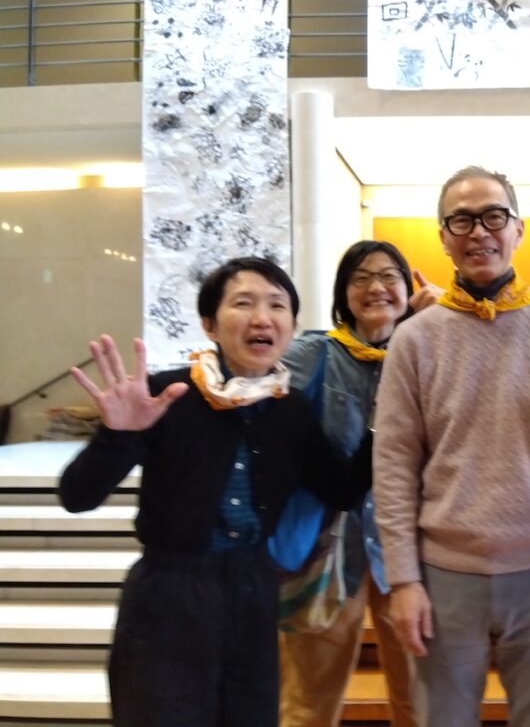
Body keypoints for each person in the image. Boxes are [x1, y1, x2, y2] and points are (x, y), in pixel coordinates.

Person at [59, 256, 369, 727]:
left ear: (291, 325)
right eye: (243, 303)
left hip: (254, 589)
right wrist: (116, 436)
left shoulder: (290, 411)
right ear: (209, 325)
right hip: (169, 594)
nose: (262, 317)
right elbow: (77, 496)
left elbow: (341, 490)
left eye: (277, 305)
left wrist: (384, 419)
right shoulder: (167, 395)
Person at [372, 166, 530, 727]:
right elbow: (395, 465)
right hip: (443, 574)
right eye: (462, 220)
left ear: (518, 229)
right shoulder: (415, 339)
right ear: (443, 237)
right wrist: (402, 579)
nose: (479, 231)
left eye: (494, 216)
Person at [278, 240, 439, 727]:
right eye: (361, 278)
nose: (376, 288)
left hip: (412, 552)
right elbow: (253, 388)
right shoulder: (312, 355)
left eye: (389, 276)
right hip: (324, 550)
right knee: (307, 701)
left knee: (422, 702)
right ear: (342, 293)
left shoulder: (431, 351)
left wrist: (446, 324)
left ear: (408, 289)